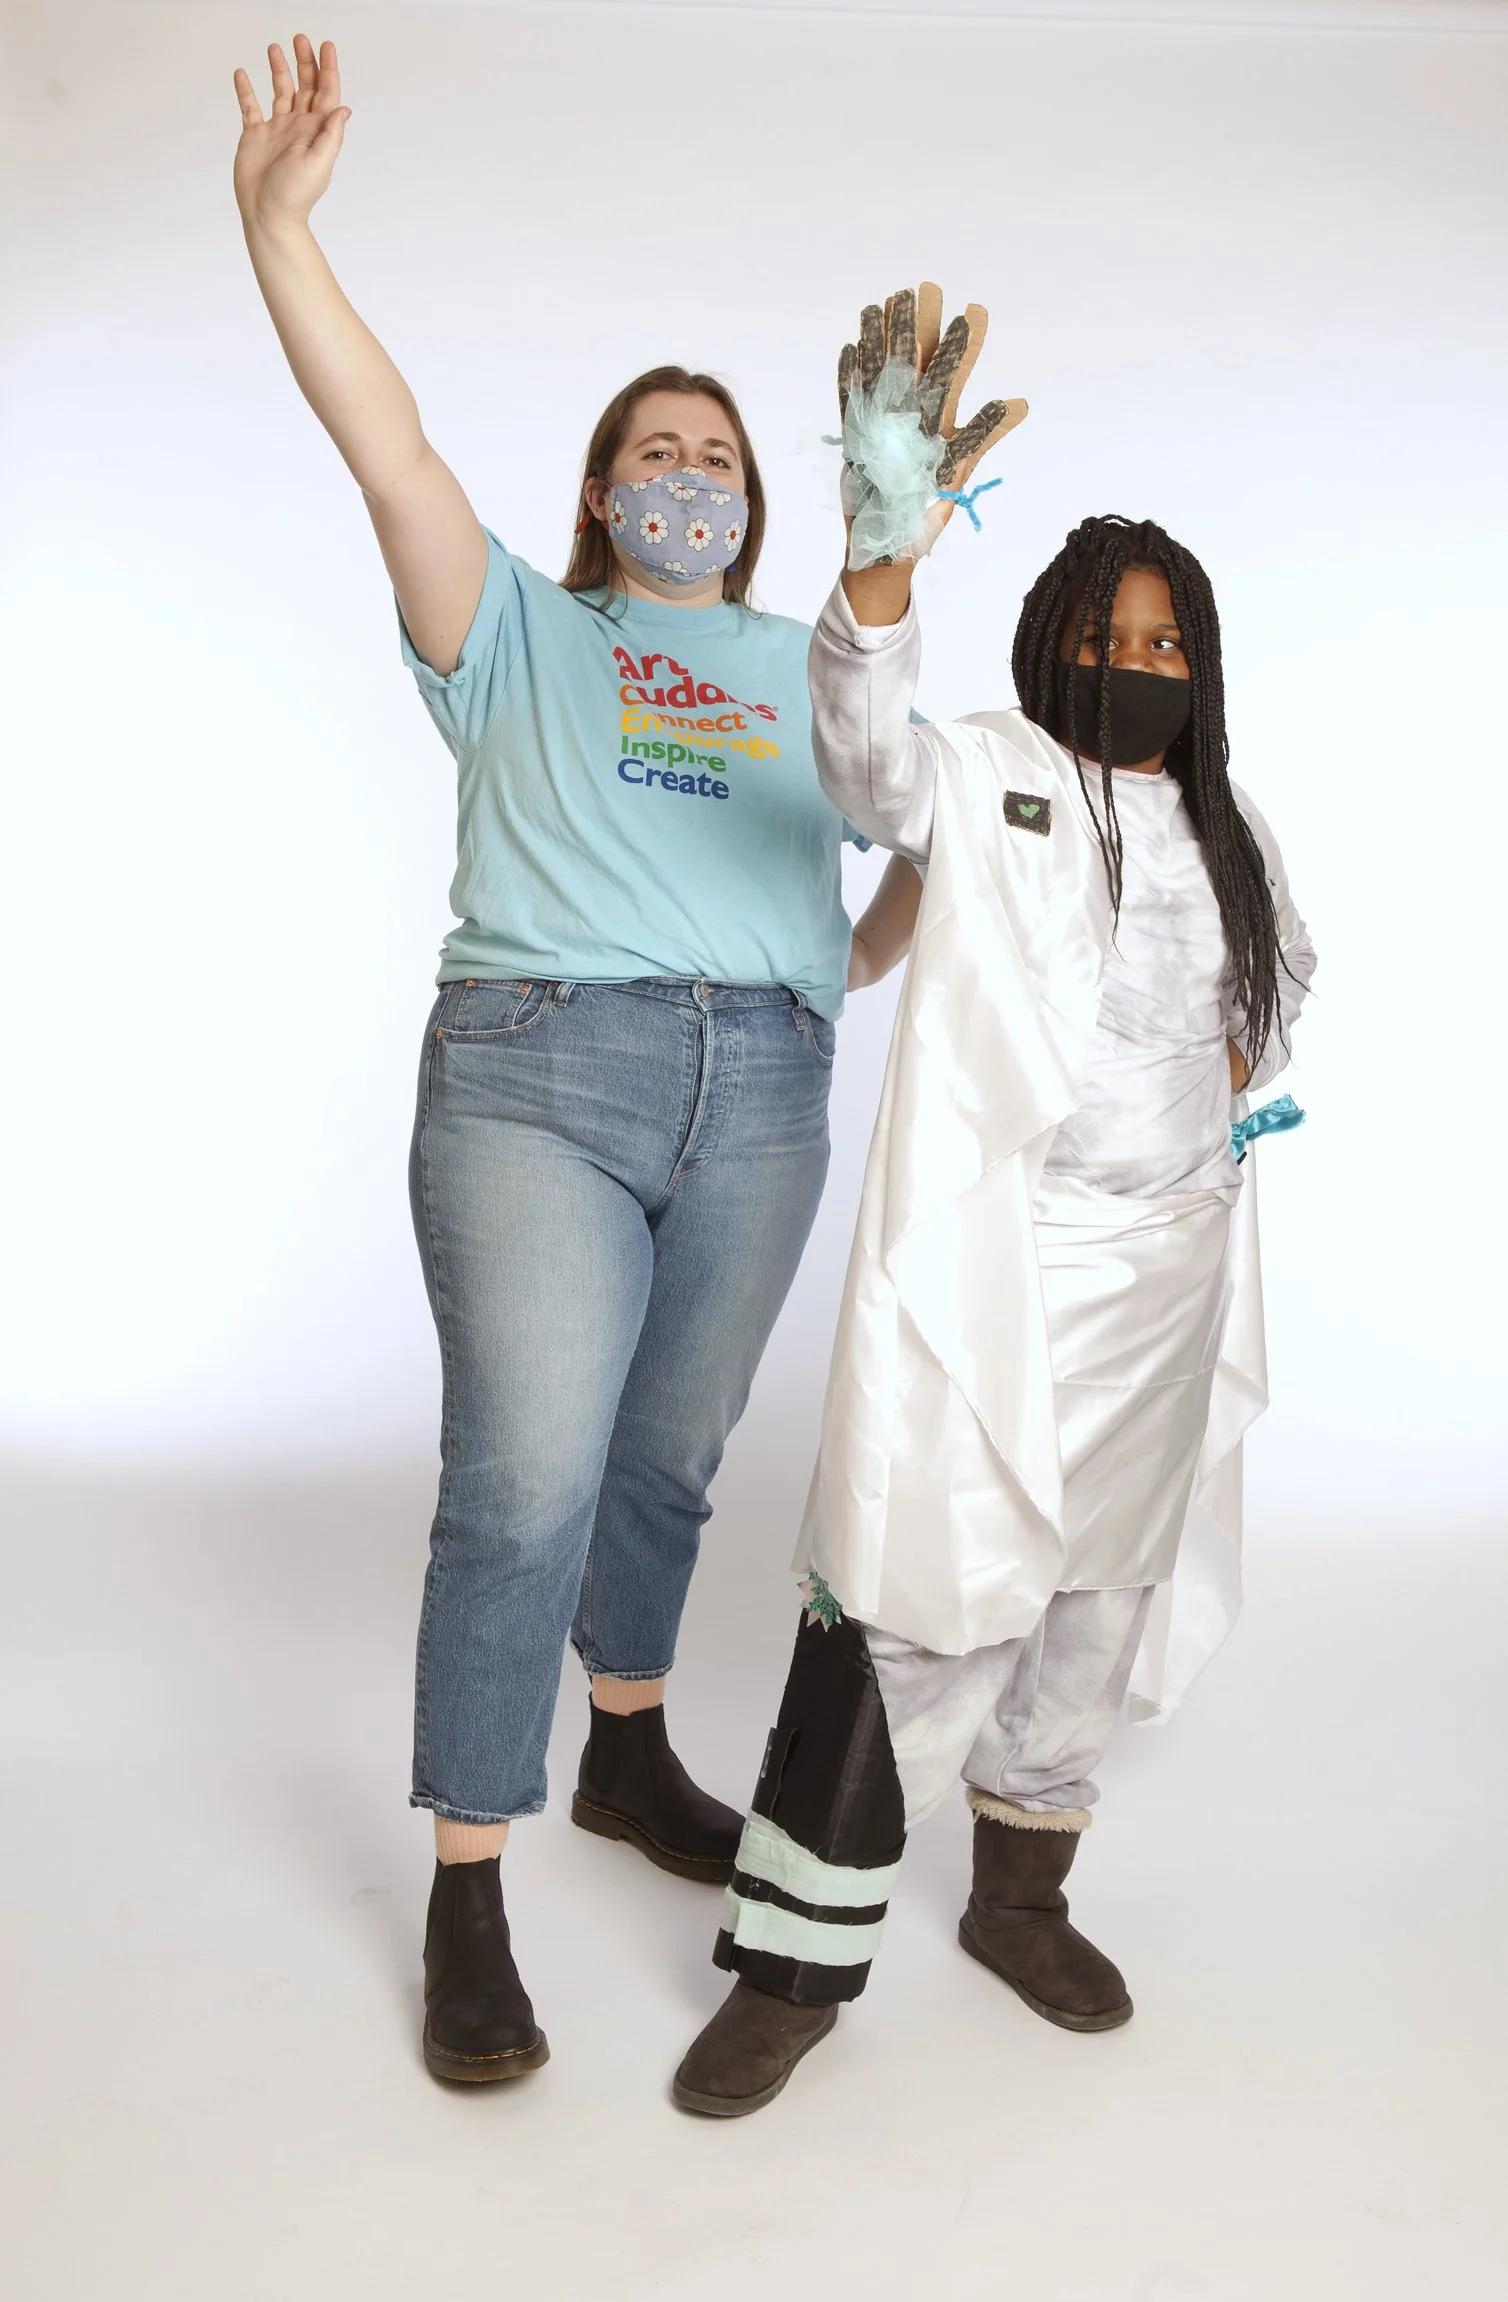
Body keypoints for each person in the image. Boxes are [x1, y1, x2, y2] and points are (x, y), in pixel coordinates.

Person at [230, 40, 933, 2086]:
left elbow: (898, 869)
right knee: (526, 1474)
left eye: (718, 454)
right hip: (542, 1077)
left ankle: (625, 1748)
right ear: (604, 492)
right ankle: (470, 1879)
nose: (689, 475)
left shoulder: (809, 673)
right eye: (655, 451)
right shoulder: (517, 626)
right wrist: (278, 234)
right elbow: (388, 450)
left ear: (757, 498)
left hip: (768, 1094)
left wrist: (855, 961)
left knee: (667, 1458)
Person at [672, 286, 1316, 2117]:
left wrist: (1226, 1105)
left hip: (1169, 1277)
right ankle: (794, 1966)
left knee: (1100, 1595)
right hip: (1000, 1276)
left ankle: (1020, 1891)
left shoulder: (1236, 828)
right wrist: (883, 556)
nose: (1143, 659)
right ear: (1052, 643)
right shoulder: (993, 769)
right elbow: (864, 760)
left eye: (1170, 638)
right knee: (917, 1602)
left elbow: (1271, 999)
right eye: (1111, 633)